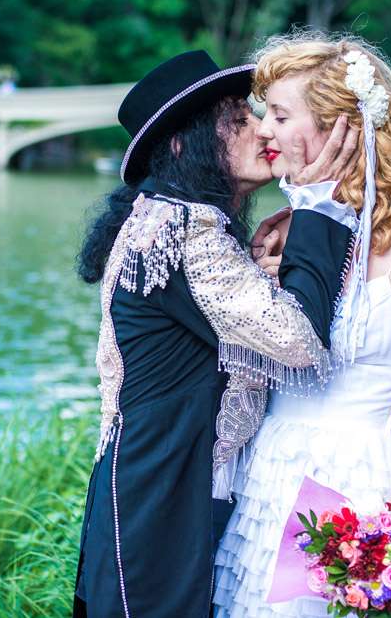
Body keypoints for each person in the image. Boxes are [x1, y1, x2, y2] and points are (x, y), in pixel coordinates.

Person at [72, 50, 360, 618]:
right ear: (185, 145)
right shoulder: (180, 228)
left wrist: (277, 261)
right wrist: (318, 204)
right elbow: (297, 339)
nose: (262, 129)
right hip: (159, 499)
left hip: (162, 486)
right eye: (238, 120)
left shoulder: (174, 218)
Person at [213, 32, 391, 617]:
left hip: (359, 487)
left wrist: (390, 522)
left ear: (340, 127)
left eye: (280, 116)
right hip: (263, 479)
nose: (264, 131)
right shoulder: (288, 231)